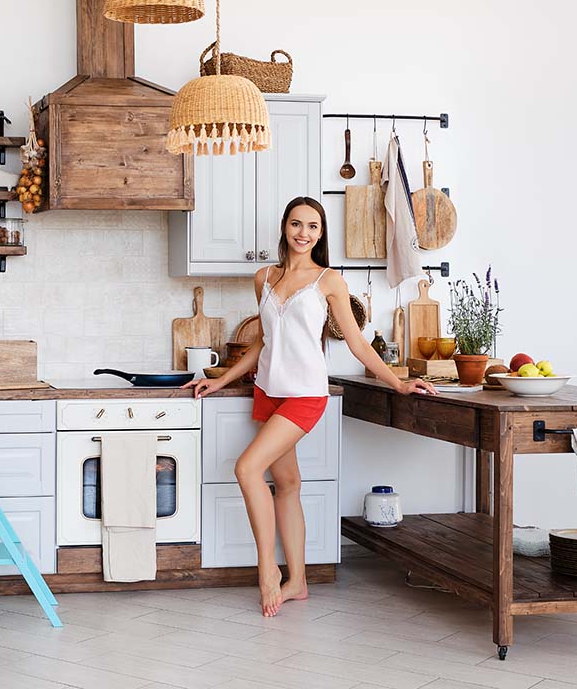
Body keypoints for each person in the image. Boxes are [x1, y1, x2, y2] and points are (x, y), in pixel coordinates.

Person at [186, 196, 437, 617]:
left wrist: (398, 383)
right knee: (287, 485)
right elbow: (262, 342)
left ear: (321, 235)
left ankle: (268, 569)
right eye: (297, 224)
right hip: (268, 389)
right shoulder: (263, 277)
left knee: (247, 469)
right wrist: (220, 379)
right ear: (284, 227)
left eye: (313, 227)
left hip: (305, 394)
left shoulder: (329, 280)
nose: (304, 233)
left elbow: (357, 342)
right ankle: (298, 581)